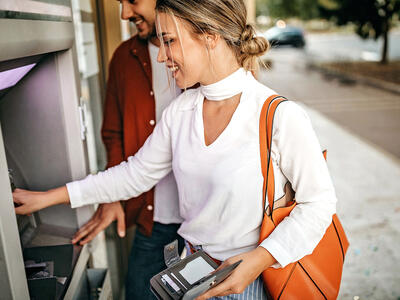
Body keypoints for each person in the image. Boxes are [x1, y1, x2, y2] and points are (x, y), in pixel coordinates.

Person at [13, 0, 337, 298]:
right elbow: (134, 175)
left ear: (209, 36)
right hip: (190, 274)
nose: (161, 55)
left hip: (250, 282)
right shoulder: (181, 112)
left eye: (169, 41)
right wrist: (46, 198)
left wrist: (259, 260)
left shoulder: (279, 115)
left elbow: (319, 203)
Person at [70, 0, 184, 299]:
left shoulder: (208, 58)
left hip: (206, 227)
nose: (124, 14)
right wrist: (112, 196)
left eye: (132, 1)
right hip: (153, 220)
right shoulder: (124, 57)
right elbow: (113, 135)